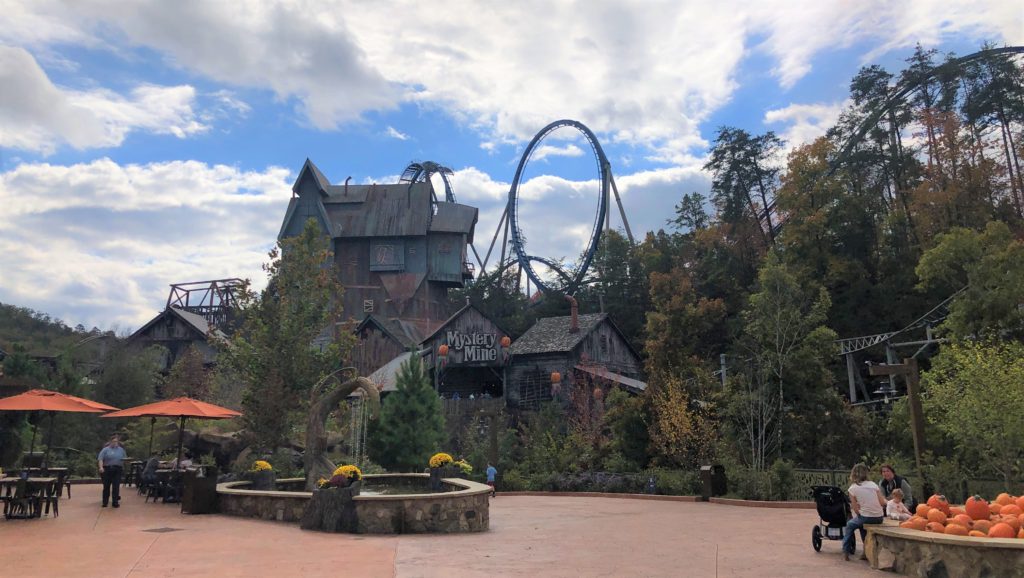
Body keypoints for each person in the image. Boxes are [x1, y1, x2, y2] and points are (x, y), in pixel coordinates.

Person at [842, 463, 886, 561]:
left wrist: (860, 513)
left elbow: (856, 509)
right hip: (879, 517)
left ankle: (846, 551)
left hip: (866, 516)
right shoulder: (873, 485)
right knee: (862, 526)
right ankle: (865, 552)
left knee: (850, 525)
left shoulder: (852, 488)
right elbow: (882, 503)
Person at [97, 434, 127, 508]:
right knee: (106, 486)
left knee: (116, 486)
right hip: (107, 469)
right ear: (110, 442)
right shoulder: (105, 450)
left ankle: (115, 502)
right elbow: (100, 459)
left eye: (116, 442)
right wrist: (101, 467)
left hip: (117, 469)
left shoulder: (121, 450)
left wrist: (126, 462)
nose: (115, 443)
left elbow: (125, 458)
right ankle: (105, 502)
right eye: (113, 441)